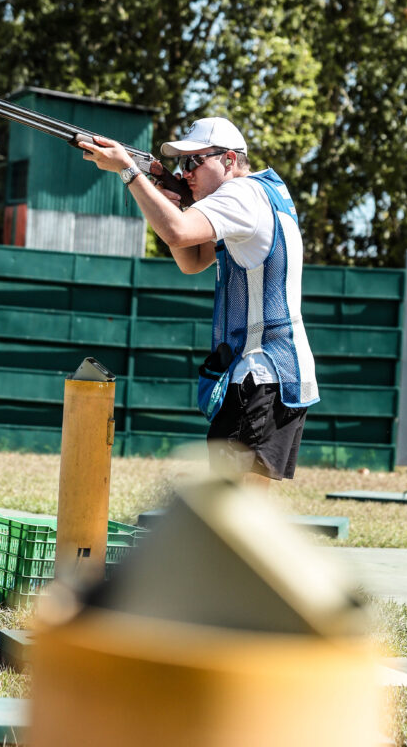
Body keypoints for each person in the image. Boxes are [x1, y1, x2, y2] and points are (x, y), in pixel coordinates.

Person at [74, 116, 319, 485]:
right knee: (241, 505)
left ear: (229, 161)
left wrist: (129, 172)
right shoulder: (262, 192)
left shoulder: (240, 194)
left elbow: (177, 230)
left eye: (194, 162)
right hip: (275, 372)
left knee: (229, 504)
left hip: (260, 372)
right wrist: (164, 195)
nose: (185, 172)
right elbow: (191, 259)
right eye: (181, 164)